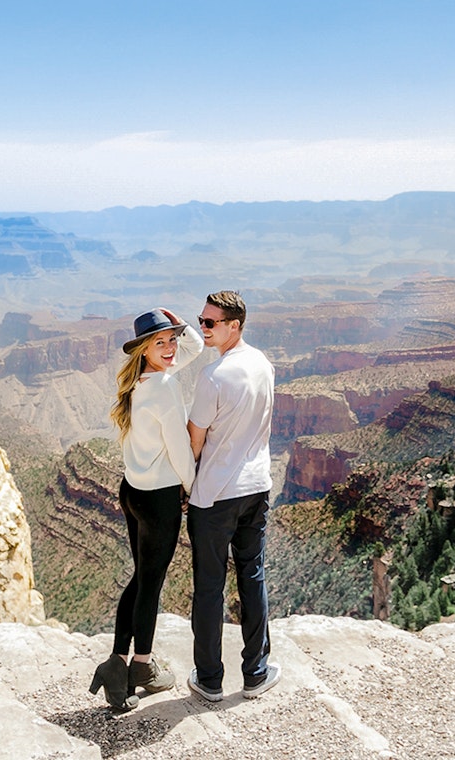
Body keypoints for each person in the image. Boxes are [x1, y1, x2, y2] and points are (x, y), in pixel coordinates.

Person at [89, 307, 204, 711]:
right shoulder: (166, 388)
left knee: (141, 579)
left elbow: (192, 348)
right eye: (161, 342)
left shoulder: (141, 380)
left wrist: (176, 326)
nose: (172, 347)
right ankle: (136, 666)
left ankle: (124, 664)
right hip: (158, 500)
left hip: (132, 491)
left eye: (173, 339)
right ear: (144, 348)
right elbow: (179, 447)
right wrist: (193, 491)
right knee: (149, 586)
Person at [184, 290, 280, 702]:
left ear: (234, 325)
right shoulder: (263, 363)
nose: (203, 328)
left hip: (216, 495)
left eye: (210, 322)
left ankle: (209, 680)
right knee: (251, 575)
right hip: (257, 487)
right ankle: (256, 672)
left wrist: (182, 488)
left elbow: (194, 441)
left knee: (209, 586)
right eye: (201, 321)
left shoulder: (213, 377)